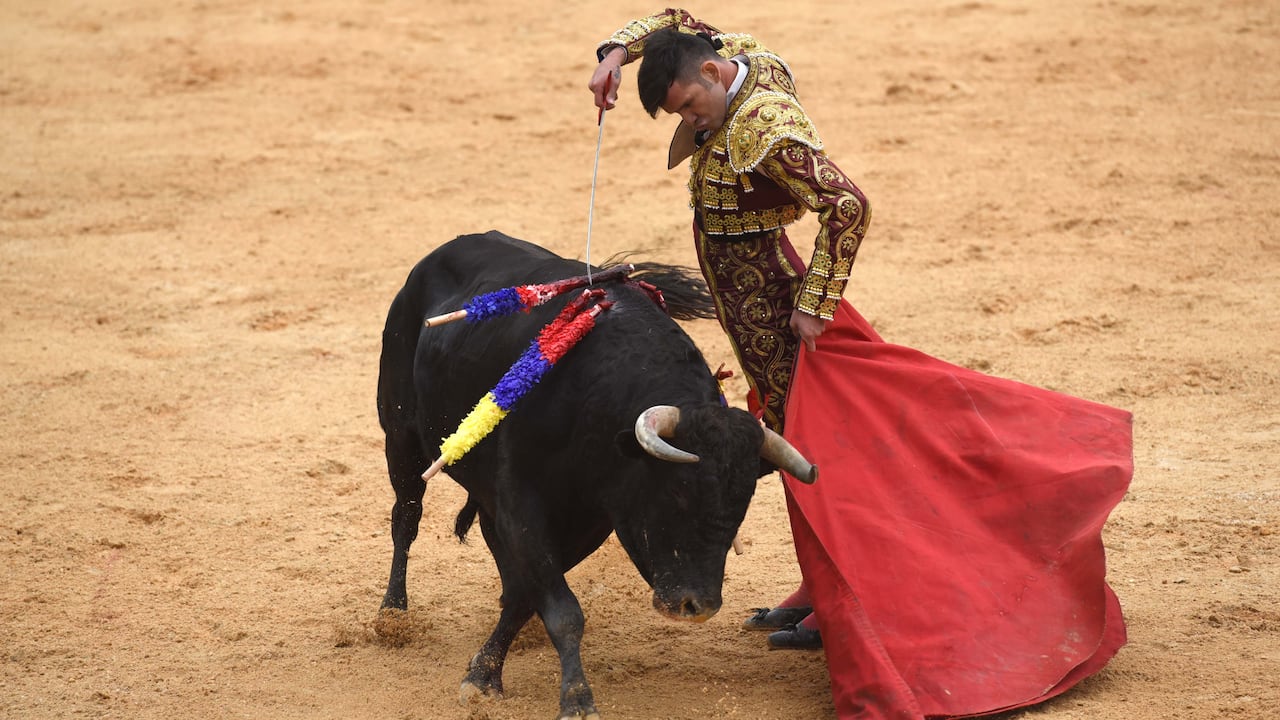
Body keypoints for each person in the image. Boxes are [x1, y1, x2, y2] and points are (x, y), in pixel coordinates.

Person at [589, 10, 1133, 720]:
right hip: (754, 308)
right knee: (794, 431)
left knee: (809, 444)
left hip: (776, 312)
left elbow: (848, 204)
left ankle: (844, 600)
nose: (690, 123)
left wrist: (814, 302)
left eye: (691, 105)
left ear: (715, 76)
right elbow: (681, 19)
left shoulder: (765, 131)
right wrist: (616, 52)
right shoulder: (737, 54)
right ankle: (821, 591)